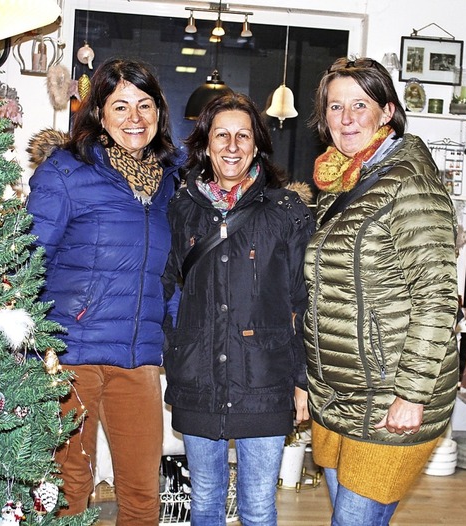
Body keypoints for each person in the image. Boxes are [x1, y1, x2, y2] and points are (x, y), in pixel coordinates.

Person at [26, 58, 183, 524]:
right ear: (99, 113)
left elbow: (169, 271)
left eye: (144, 105)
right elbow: (29, 257)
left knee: (141, 492)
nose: (134, 118)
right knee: (69, 489)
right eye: (120, 106)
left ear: (159, 112)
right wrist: (34, 347)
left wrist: (169, 332)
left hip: (137, 359)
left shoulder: (171, 183)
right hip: (71, 356)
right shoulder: (67, 172)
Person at [304, 57, 459, 526]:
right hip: (338, 395)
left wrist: (411, 395)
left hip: (391, 398)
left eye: (360, 105)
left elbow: (436, 296)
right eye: (335, 106)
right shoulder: (339, 182)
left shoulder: (408, 181)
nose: (346, 118)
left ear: (386, 112)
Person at [162, 92, 314, 526]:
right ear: (205, 145)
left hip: (265, 380)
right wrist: (173, 348)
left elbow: (305, 301)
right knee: (206, 502)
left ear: (257, 145)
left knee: (258, 506)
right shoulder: (182, 209)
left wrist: (302, 381)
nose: (232, 145)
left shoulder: (287, 212)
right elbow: (165, 285)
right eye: (221, 135)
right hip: (198, 377)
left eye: (242, 136)